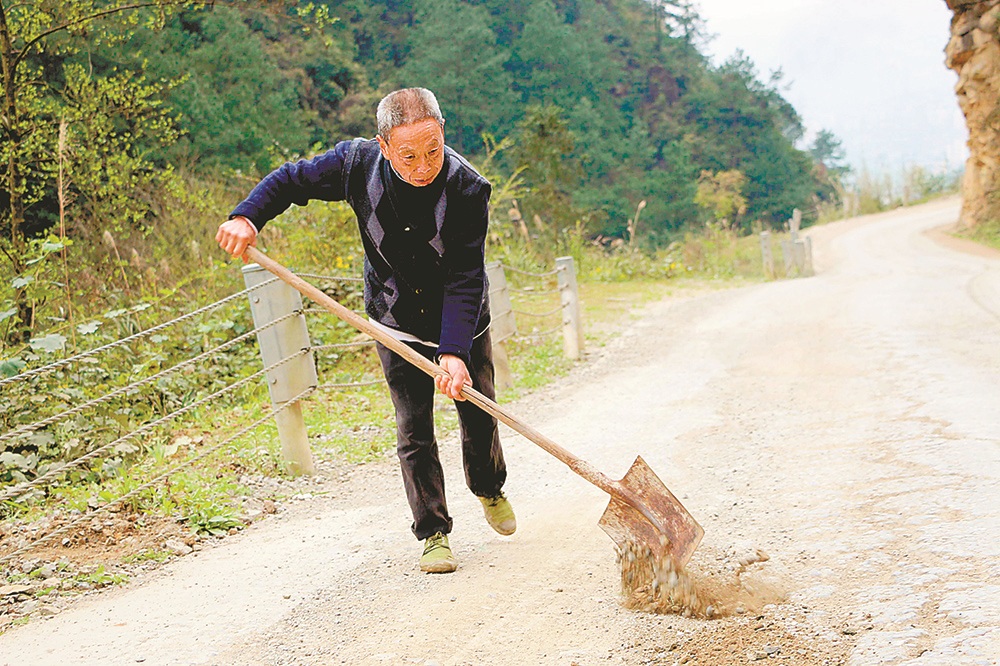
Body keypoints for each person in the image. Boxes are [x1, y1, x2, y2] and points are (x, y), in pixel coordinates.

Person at [215, 87, 515, 574]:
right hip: (393, 319)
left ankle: (487, 486)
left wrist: (454, 352)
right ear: (383, 145)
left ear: (443, 134)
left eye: (433, 150)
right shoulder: (355, 165)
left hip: (461, 321)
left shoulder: (467, 188)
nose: (423, 166)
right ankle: (433, 531)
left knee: (477, 412)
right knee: (414, 428)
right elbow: (290, 181)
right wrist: (247, 215)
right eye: (409, 155)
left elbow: (465, 276)